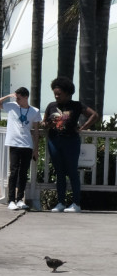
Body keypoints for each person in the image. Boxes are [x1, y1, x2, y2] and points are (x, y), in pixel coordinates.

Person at [39, 78, 98, 213]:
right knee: (59, 173)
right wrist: (48, 124)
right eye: (55, 93)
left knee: (72, 172)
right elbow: (44, 123)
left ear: (68, 93)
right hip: (54, 141)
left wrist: (82, 127)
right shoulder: (51, 106)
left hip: (71, 141)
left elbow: (94, 115)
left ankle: (76, 204)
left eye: (59, 94)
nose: (56, 96)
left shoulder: (76, 105)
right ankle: (61, 203)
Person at [0, 87, 40, 210]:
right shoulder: (12, 106)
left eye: (19, 97)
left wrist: (36, 149)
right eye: (16, 97)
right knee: (14, 172)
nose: (17, 100)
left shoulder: (34, 111)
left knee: (23, 173)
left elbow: (36, 132)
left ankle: (20, 199)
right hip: (14, 144)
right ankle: (11, 200)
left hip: (27, 145)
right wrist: (8, 96)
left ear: (26, 97)